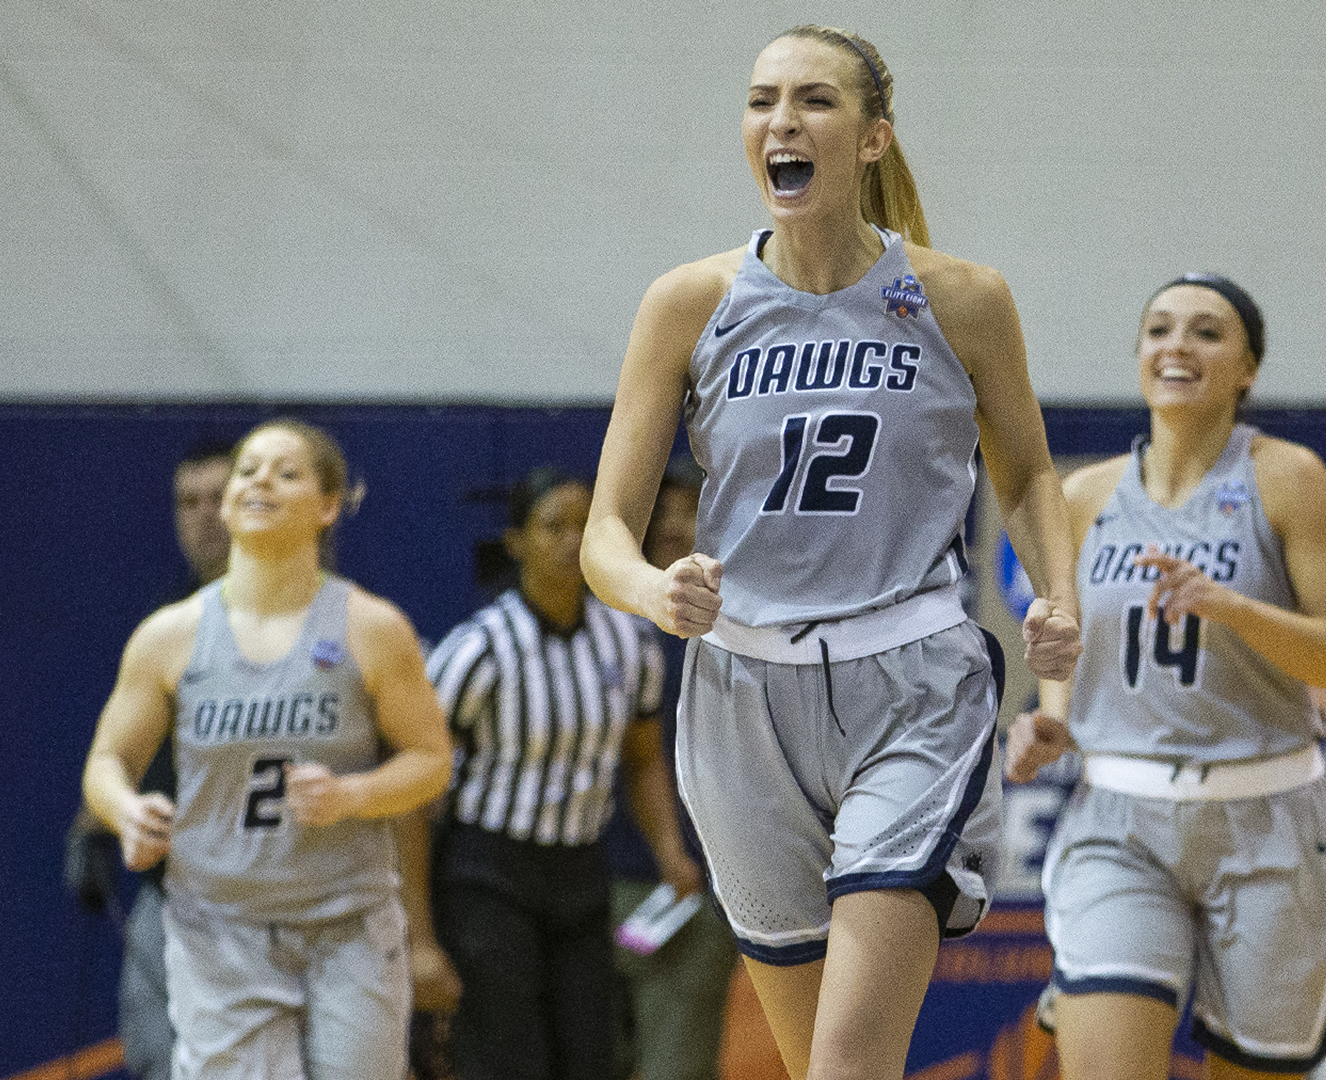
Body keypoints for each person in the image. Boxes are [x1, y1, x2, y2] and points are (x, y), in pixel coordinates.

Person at [580, 25, 1083, 1080]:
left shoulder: (961, 298)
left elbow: (1029, 473)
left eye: (812, 100)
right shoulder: (690, 301)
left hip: (913, 680)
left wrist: (1058, 592)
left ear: (871, 137)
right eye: (762, 100)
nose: (781, 122)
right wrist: (651, 587)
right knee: (823, 1066)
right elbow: (604, 537)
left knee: (850, 1061)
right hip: (741, 694)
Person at [1004, 275, 1326, 1080]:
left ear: (1248, 368)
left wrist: (1234, 610)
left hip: (1269, 818)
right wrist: (1053, 718)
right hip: (1120, 820)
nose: (1177, 346)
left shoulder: (1288, 479)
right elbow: (1067, 647)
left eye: (1207, 333)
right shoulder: (1083, 496)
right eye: (1159, 330)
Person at [82, 418, 453, 1080]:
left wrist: (353, 795)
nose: (261, 482)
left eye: (287, 473)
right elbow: (107, 764)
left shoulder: (372, 627)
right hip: (219, 925)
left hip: (348, 926)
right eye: (248, 471)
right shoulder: (169, 636)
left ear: (328, 505)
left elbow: (432, 762)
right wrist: (126, 812)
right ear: (228, 504)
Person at [420, 467, 699, 1080]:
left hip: (580, 868)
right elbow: (419, 787)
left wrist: (669, 851)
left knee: (592, 1055)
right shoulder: (479, 647)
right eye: (554, 526)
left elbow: (645, 756)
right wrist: (418, 933)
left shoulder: (629, 642)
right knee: (507, 1056)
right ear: (518, 541)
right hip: (487, 871)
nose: (572, 541)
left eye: (583, 526)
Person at [64, 440, 234, 1080]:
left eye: (217, 498)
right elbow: (121, 750)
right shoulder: (165, 624)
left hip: (278, 897)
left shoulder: (323, 619)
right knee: (156, 1054)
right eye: (187, 502)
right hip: (173, 886)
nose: (203, 516)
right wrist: (92, 824)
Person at [600, 458, 738, 1080]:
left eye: (694, 513)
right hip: (588, 878)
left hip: (696, 884)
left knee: (676, 1061)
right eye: (664, 514)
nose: (678, 528)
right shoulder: (604, 625)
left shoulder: (746, 626)